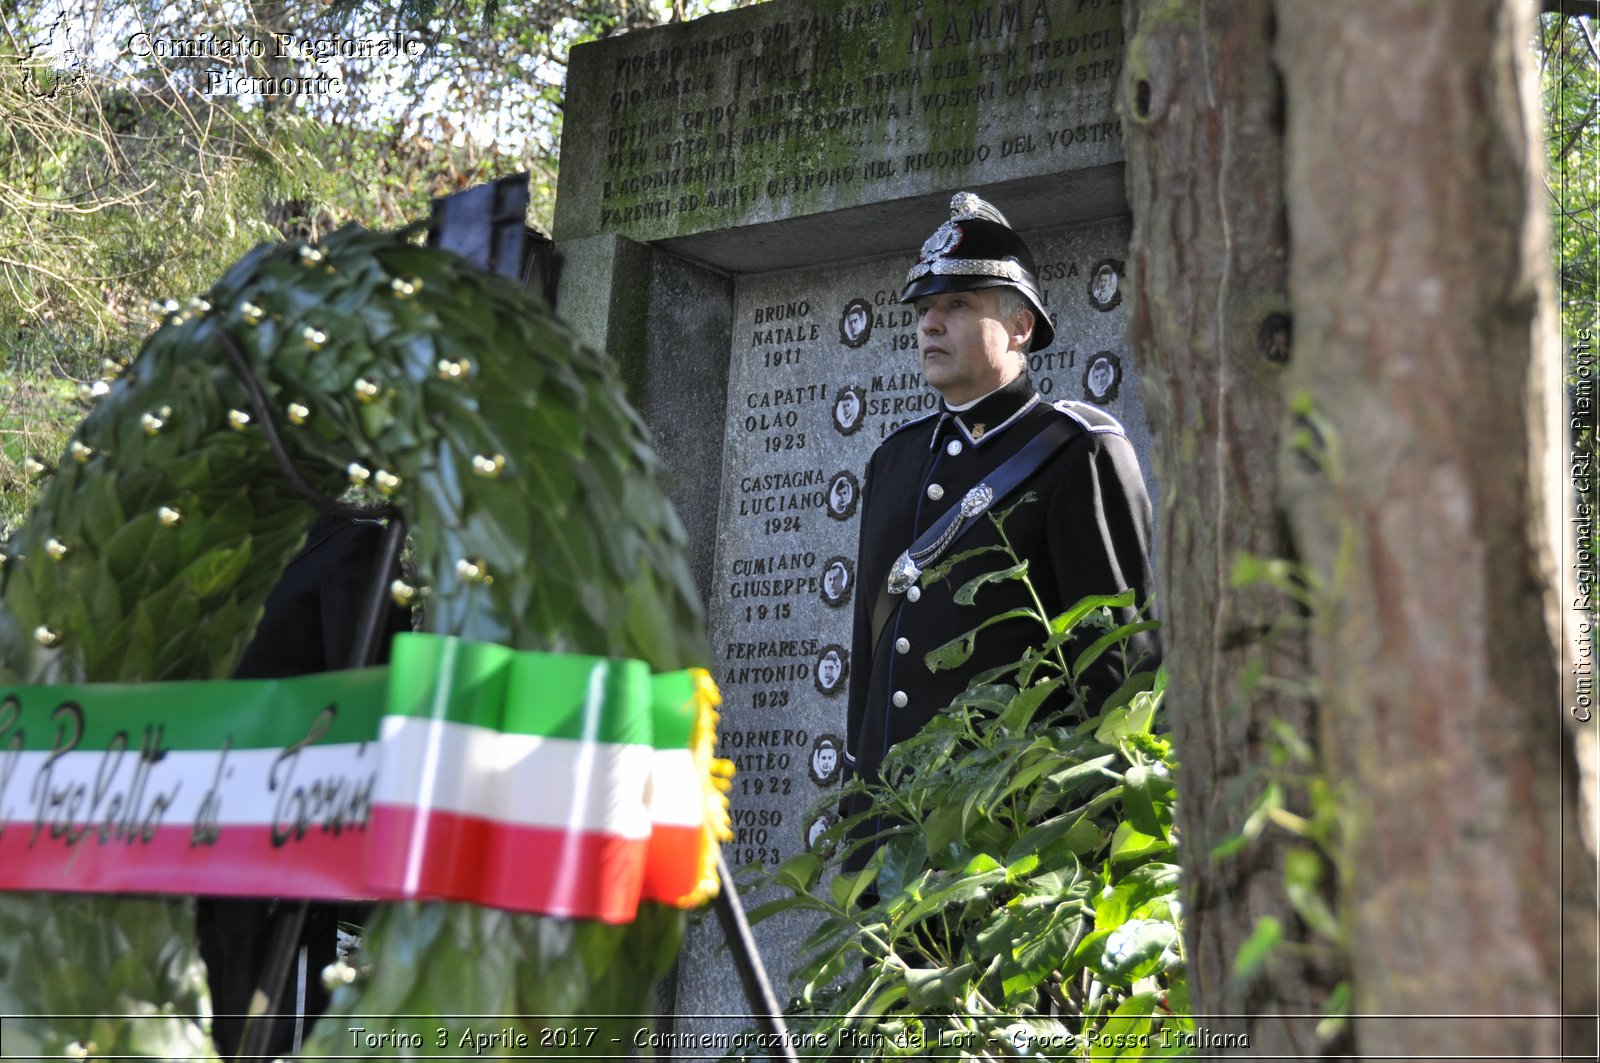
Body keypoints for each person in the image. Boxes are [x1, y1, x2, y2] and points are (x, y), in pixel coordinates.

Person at [842, 192, 1158, 869]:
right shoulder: (893, 463)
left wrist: (1089, 839)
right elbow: (871, 670)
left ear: (1020, 327)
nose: (931, 324)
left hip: (1012, 840)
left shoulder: (1079, 451)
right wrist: (862, 823)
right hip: (894, 840)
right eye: (924, 310)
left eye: (958, 306)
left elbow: (1116, 664)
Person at [195, 513, 411, 1060]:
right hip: (193, 839)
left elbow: (370, 706)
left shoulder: (350, 547)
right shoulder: (219, 560)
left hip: (280, 847)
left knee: (268, 1028)